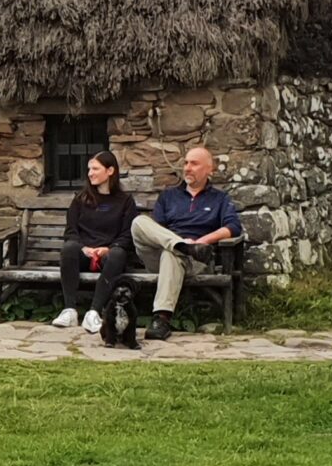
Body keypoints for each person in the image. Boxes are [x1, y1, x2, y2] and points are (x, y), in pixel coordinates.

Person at [131, 144, 241, 340]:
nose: (187, 168)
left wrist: (200, 242)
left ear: (209, 169)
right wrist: (181, 242)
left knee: (171, 254)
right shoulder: (169, 196)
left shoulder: (219, 199)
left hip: (195, 260)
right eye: (186, 163)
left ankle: (161, 319)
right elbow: (157, 230)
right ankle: (181, 245)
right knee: (139, 222)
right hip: (158, 255)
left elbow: (232, 227)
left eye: (194, 164)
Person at [51, 148, 136, 332]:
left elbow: (126, 235)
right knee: (69, 249)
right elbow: (71, 231)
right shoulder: (80, 199)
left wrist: (109, 248)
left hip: (108, 256)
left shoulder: (125, 201)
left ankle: (94, 312)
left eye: (95, 169)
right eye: (89, 169)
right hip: (83, 254)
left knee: (118, 254)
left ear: (110, 171)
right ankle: (69, 310)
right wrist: (84, 248)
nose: (90, 173)